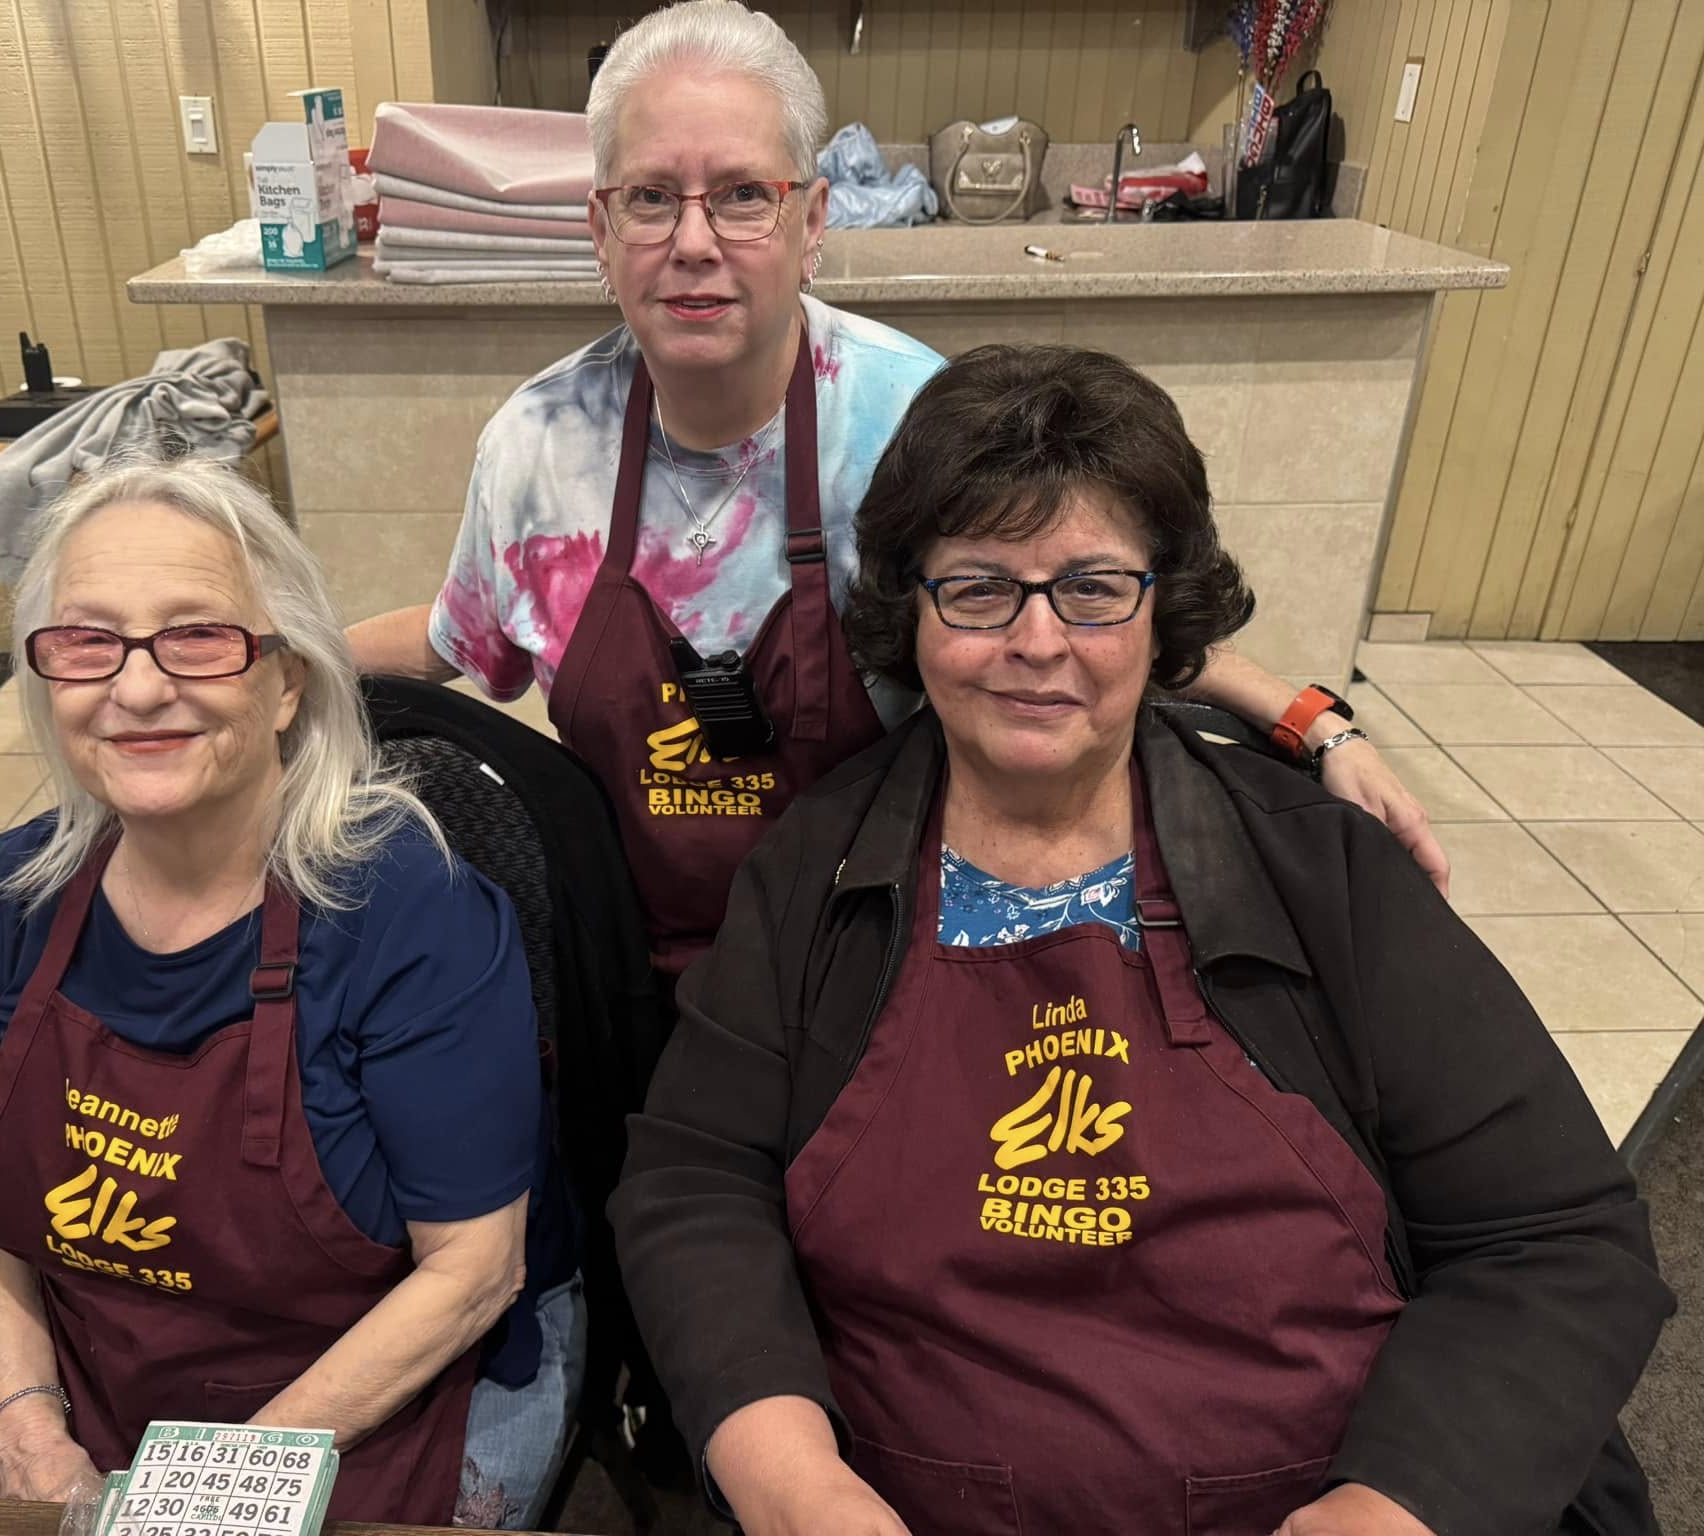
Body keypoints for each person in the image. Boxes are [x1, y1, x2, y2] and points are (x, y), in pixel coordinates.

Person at [609, 346, 1673, 1536]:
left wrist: (1385, 1512)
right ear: (906, 609)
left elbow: (1551, 1240)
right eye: (977, 587)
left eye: (1090, 587)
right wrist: (794, 1487)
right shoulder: (814, 871)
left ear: (1163, 610)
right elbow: (693, 1185)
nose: (1035, 639)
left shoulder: (1321, 871)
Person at [346, 0, 1449, 986]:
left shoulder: (910, 418)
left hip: (871, 953)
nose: (691, 242)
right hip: (620, 960)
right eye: (648, 198)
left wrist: (1311, 722)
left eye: (742, 195)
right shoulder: (537, 446)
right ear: (598, 227)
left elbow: (1079, 612)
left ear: (813, 219)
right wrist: (255, 644)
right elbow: (456, 639)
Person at [0, 457, 582, 1531]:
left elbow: (471, 1275)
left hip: (359, 1390)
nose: (139, 685)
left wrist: (200, 1496)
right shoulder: (26, 889)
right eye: (88, 640)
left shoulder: (410, 911)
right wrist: (19, 1415)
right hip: (95, 1366)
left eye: (197, 634)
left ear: (286, 678)